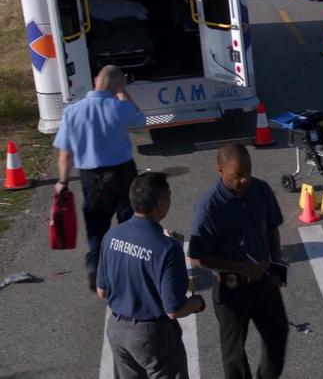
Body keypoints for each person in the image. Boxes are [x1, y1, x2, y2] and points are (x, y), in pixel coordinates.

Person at [188, 144, 288, 379]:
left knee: (277, 334)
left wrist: (276, 263)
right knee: (233, 356)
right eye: (237, 176)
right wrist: (242, 268)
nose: (245, 179)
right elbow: (197, 257)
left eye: (248, 172)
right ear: (220, 170)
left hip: (263, 281)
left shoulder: (260, 190)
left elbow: (272, 227)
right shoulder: (209, 208)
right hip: (231, 289)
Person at [96, 172, 206, 379]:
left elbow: (102, 291)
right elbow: (174, 310)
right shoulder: (167, 248)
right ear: (160, 203)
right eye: (170, 197)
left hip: (118, 331)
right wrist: (197, 304)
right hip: (152, 336)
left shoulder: (112, 236)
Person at [53, 65, 145, 292]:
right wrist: (125, 94)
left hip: (91, 177)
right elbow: (141, 123)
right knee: (128, 223)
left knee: (96, 226)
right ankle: (128, 270)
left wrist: (62, 182)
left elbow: (65, 153)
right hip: (123, 173)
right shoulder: (120, 108)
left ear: (96, 80)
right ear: (117, 85)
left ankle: (95, 267)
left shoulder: (73, 112)